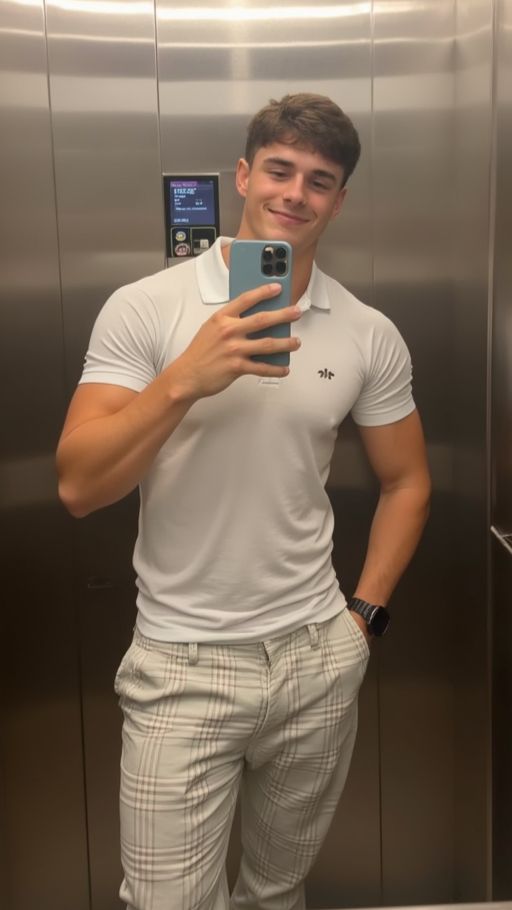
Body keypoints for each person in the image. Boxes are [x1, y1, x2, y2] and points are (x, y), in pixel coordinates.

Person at [57, 93, 431, 910]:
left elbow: (408, 482)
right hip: (181, 663)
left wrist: (362, 622)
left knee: (277, 893)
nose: (295, 193)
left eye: (320, 181)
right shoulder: (146, 307)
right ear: (243, 175)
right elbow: (80, 486)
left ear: (340, 200)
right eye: (279, 170)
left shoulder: (367, 331)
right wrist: (184, 380)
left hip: (317, 656)